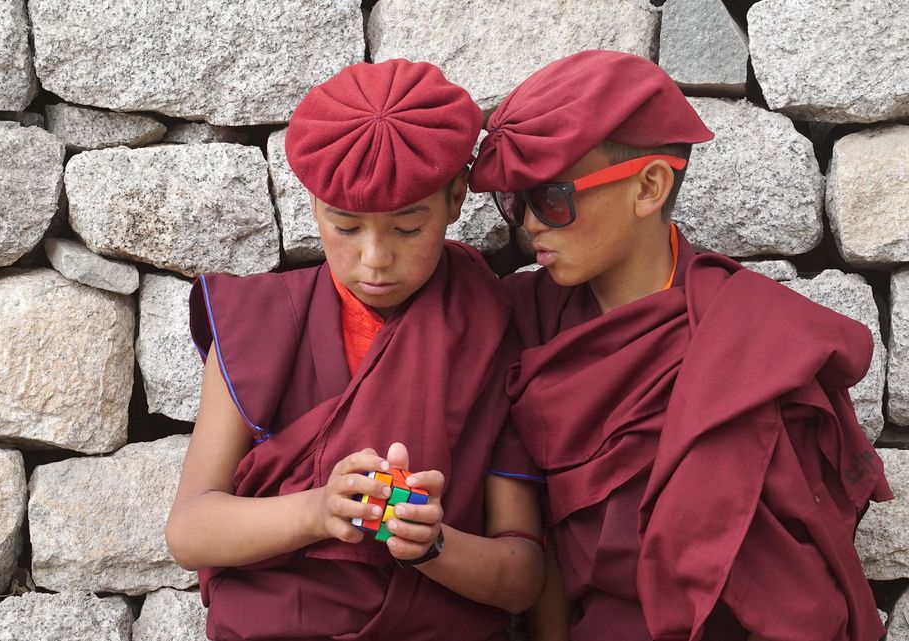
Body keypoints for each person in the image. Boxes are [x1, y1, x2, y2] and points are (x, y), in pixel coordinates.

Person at [468, 50, 891, 641]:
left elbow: (797, 571)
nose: (529, 225)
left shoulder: (760, 340)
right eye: (514, 202)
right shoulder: (525, 320)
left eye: (551, 199)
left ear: (648, 187)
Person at [166, 58, 545, 641]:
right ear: (314, 205)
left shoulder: (495, 330)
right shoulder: (263, 321)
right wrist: (319, 511)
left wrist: (431, 545)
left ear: (456, 198)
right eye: (345, 227)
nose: (374, 258)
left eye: (408, 228)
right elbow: (190, 530)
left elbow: (523, 577)